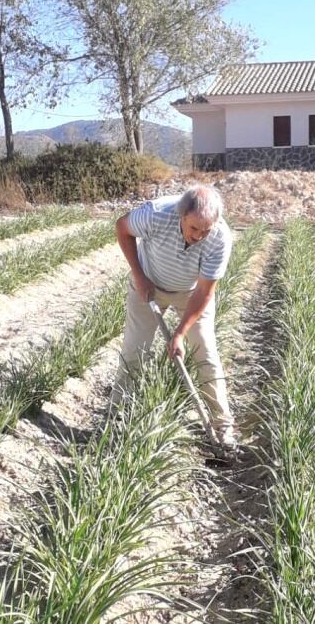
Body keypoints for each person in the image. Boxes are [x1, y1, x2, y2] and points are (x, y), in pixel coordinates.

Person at [112, 184, 236, 450]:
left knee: (205, 354)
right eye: (194, 229)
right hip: (147, 285)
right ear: (181, 216)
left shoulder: (220, 238)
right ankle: (116, 418)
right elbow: (122, 228)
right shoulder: (156, 214)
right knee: (134, 351)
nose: (199, 236)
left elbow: (204, 292)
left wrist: (179, 334)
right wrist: (139, 276)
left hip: (190, 295)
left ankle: (222, 427)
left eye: (206, 230)